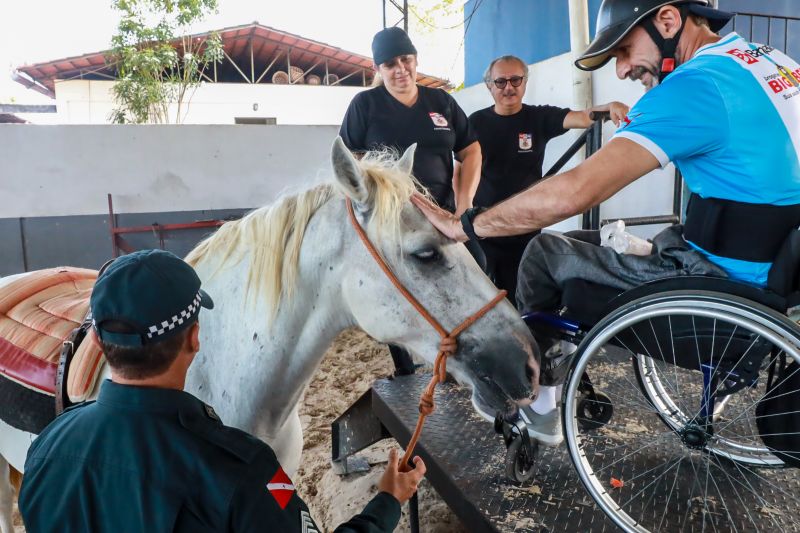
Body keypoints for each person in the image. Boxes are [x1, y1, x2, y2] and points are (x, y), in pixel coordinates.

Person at [411, 0, 800, 446]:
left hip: (718, 283)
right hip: (775, 274)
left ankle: (540, 404)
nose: (621, 70)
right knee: (582, 239)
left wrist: (468, 225)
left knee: (543, 252)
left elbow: (578, 190)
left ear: (668, 20)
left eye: (624, 50)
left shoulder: (694, 87)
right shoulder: (773, 63)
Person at [18, 249, 426, 532]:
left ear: (101, 344)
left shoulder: (47, 445)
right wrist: (389, 499)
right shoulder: (242, 469)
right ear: (194, 338)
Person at [339, 26, 482, 375]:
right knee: (399, 290)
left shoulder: (441, 102)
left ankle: (461, 355)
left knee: (474, 271)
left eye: (406, 59)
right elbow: (350, 161)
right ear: (379, 69)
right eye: (390, 63)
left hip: (444, 215)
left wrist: (463, 205)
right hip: (395, 221)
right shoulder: (365, 105)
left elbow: (471, 150)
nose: (400, 69)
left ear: (416, 60)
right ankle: (405, 367)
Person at [469, 54, 629, 306]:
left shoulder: (538, 117)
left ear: (525, 82)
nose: (508, 87)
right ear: (489, 86)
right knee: (483, 297)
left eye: (515, 80)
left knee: (523, 293)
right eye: (500, 82)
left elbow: (581, 116)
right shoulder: (475, 123)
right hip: (486, 225)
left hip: (527, 225)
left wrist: (609, 108)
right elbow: (460, 168)